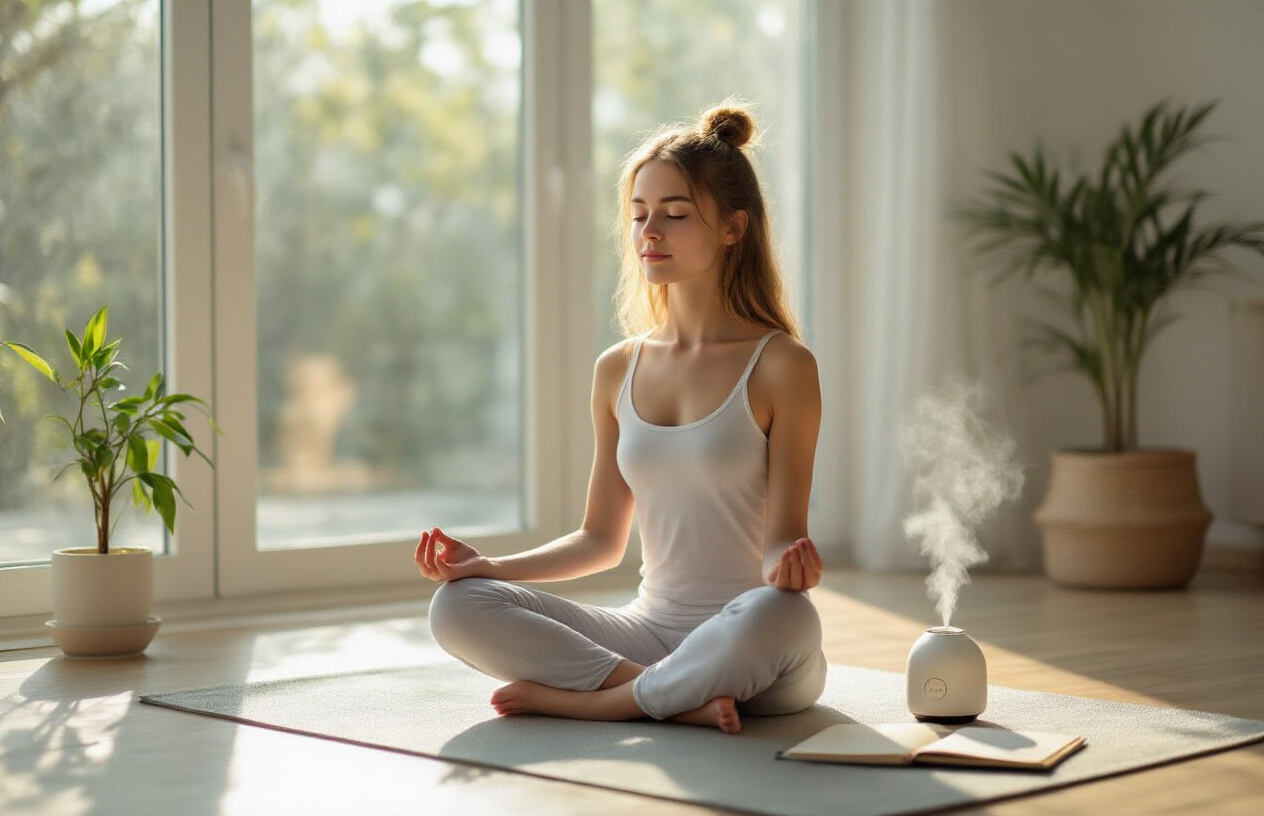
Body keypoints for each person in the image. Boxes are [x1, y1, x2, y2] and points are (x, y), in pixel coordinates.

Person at [414, 103, 826, 734]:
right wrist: (491, 568)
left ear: (733, 228)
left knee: (784, 612)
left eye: (675, 214)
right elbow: (600, 540)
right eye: (639, 214)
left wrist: (791, 568)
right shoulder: (617, 368)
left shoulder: (782, 365)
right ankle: (661, 693)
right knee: (457, 606)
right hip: (648, 636)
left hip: (752, 643)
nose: (649, 232)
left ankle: (600, 701)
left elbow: (782, 539)